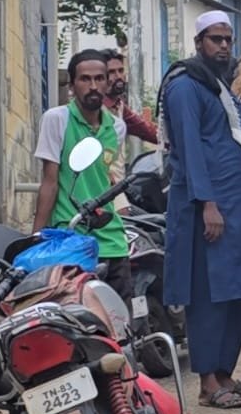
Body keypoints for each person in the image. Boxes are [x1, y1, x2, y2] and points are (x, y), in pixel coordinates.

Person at [159, 10, 241, 409]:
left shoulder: (223, 89)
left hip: (237, 209)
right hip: (206, 209)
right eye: (214, 39)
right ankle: (208, 382)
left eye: (227, 39)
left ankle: (225, 373)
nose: (223, 46)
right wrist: (207, 204)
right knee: (210, 294)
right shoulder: (186, 87)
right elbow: (188, 149)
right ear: (198, 44)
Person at [33, 49, 133, 300]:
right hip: (71, 238)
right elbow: (50, 182)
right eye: (85, 79)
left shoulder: (117, 128)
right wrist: (36, 238)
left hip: (112, 240)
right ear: (72, 86)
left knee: (120, 323)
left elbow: (105, 177)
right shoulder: (56, 120)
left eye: (99, 79)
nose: (93, 86)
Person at [103, 50, 160, 144]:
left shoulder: (118, 105)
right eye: (111, 72)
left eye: (121, 71)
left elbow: (145, 129)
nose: (118, 76)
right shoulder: (93, 108)